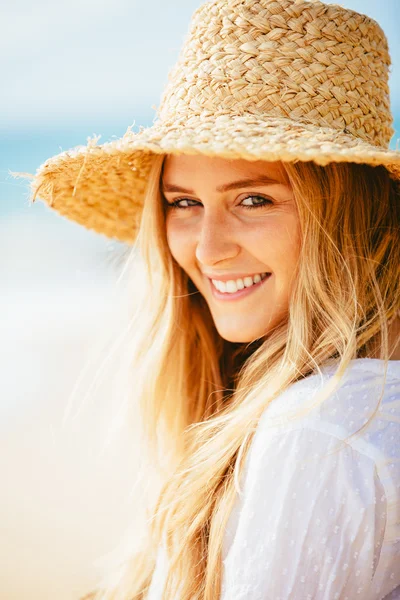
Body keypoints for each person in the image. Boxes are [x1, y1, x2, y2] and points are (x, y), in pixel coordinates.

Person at [14, 0, 400, 598]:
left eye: (254, 201)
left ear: (351, 215)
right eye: (183, 203)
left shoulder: (320, 430)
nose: (208, 251)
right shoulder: (362, 401)